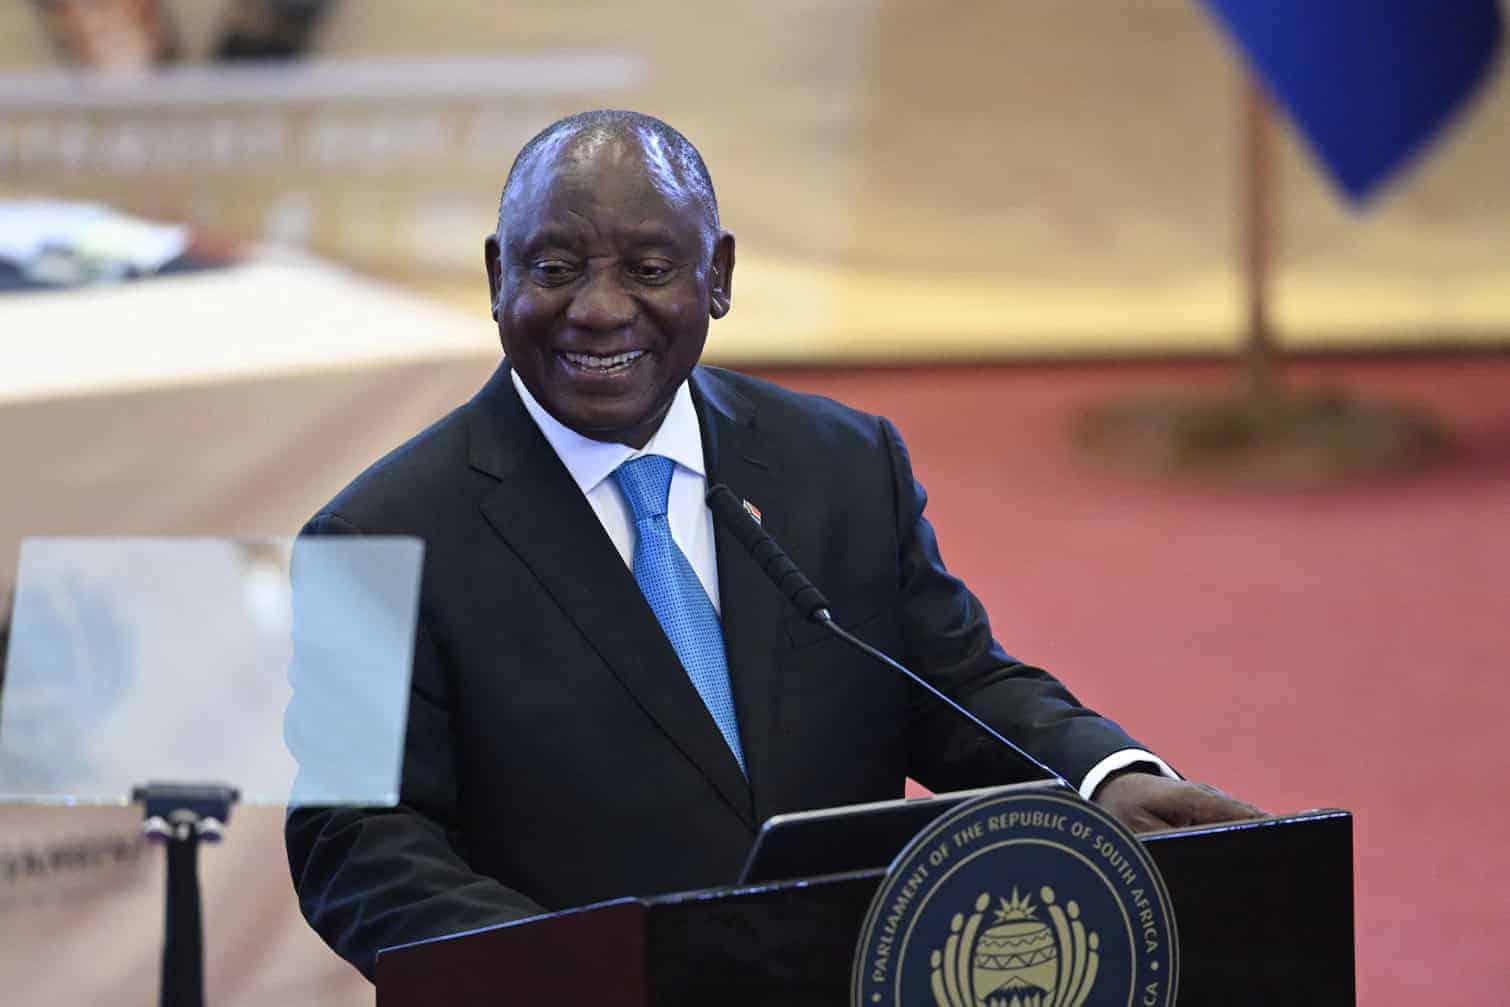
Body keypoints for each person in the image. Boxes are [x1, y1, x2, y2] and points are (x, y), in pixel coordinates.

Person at [285, 109, 1261, 980]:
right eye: (555, 268)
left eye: (649, 269)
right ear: (497, 275)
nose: (599, 307)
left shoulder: (842, 462)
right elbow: (355, 838)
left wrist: (1103, 778)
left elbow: (954, 683)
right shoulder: (370, 538)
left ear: (718, 277)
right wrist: (564, 972)